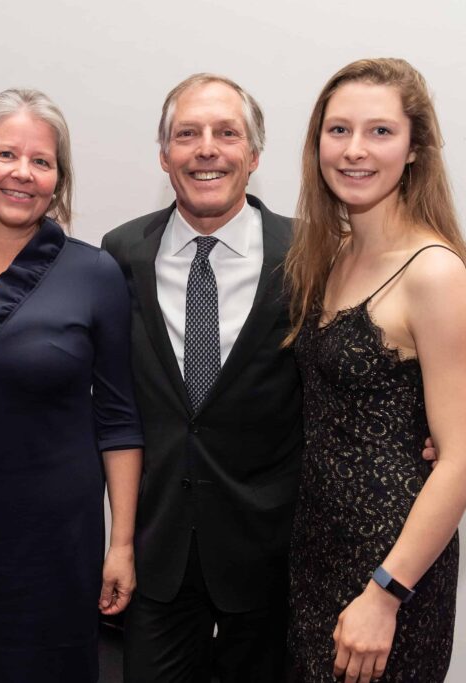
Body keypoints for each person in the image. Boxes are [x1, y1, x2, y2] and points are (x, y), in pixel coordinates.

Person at [0, 88, 144, 683]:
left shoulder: (94, 273)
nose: (23, 173)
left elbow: (119, 420)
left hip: (55, 535)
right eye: (6, 154)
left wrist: (120, 544)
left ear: (57, 180)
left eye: (42, 162)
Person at [284, 58, 466, 683]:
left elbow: (462, 460)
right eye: (338, 130)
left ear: (414, 148)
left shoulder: (433, 271)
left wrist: (385, 593)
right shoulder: (332, 254)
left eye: (379, 132)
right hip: (317, 551)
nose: (354, 150)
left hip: (389, 570)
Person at [101, 73, 303, 683]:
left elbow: (351, 372)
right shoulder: (120, 253)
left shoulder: (310, 255)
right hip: (159, 550)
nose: (206, 148)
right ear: (165, 156)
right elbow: (107, 399)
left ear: (254, 155)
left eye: (226, 133)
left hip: (271, 551)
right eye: (187, 134)